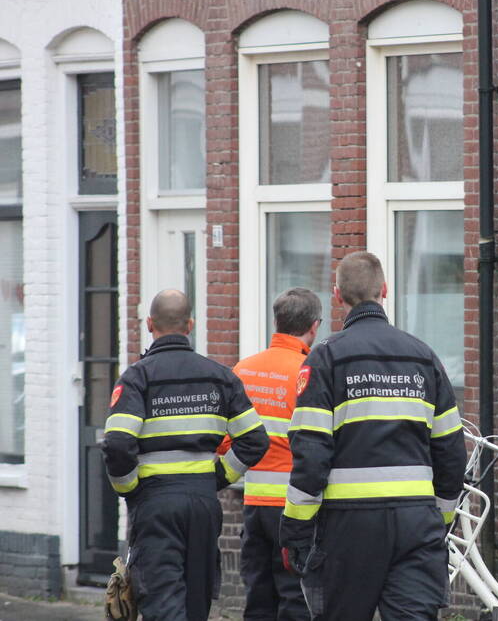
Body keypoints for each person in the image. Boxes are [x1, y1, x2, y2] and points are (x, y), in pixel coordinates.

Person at [280, 251, 467, 621]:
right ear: (385, 290)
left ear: (337, 296)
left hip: (349, 528)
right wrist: (441, 520)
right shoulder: (423, 358)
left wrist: (296, 530)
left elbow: (311, 455)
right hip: (417, 523)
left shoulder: (326, 359)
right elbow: (451, 451)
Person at [102, 289, 269, 621]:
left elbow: (118, 444)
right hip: (203, 504)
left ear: (150, 324)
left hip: (156, 504)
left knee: (163, 601)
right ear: (190, 324)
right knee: (197, 602)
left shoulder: (138, 378)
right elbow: (255, 440)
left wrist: (129, 489)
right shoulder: (220, 377)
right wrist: (218, 478)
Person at [224, 288, 321, 621]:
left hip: (253, 507)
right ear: (314, 326)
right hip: (295, 508)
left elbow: (226, 442)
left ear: (276, 323)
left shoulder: (243, 370)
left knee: (258, 596)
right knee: (295, 598)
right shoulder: (309, 373)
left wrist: (229, 476)